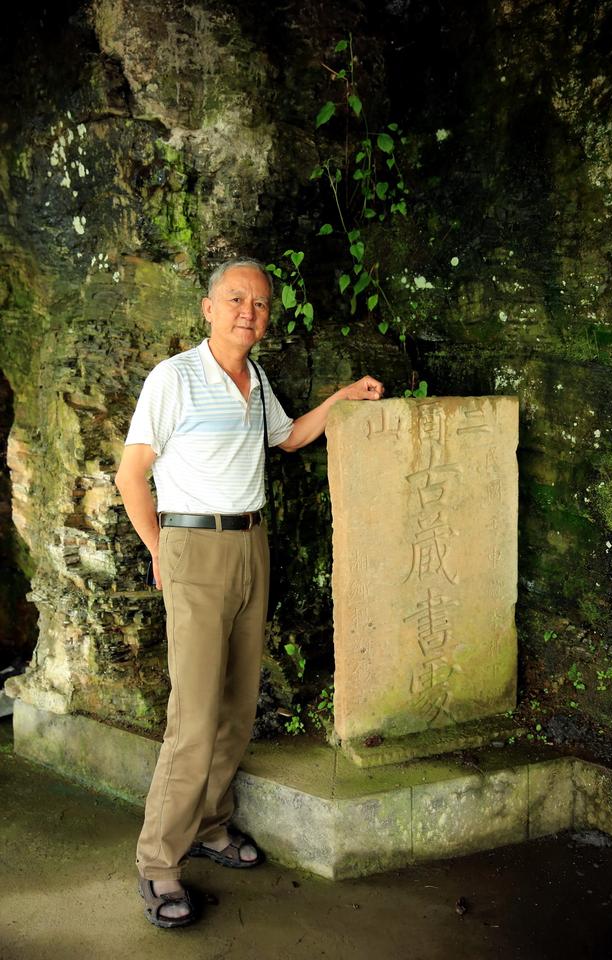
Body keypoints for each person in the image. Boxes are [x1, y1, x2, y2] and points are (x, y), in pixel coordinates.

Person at [115, 257, 384, 928]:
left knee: (237, 706)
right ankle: (158, 862)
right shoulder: (175, 378)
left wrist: (342, 397)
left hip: (250, 545)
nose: (249, 312)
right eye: (236, 299)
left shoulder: (256, 380)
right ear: (208, 309)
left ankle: (210, 825)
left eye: (260, 304)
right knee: (195, 715)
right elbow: (131, 475)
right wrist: (160, 550)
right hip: (193, 547)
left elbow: (289, 438)